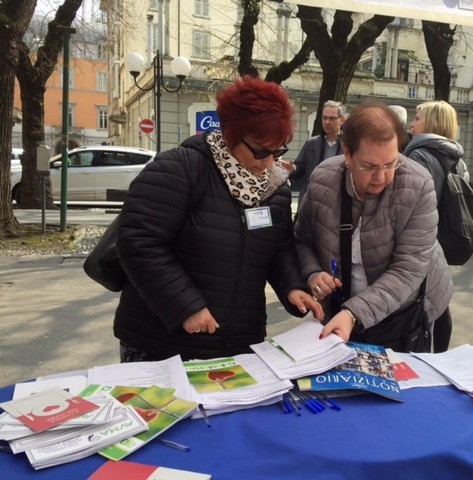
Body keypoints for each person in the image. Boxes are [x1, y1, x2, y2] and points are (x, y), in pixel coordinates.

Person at [114, 76, 322, 362]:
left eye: (278, 150)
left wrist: (292, 287)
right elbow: (139, 241)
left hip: (238, 344)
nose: (270, 162)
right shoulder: (180, 168)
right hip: (162, 342)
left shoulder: (274, 186)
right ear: (230, 135)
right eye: (261, 151)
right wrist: (185, 307)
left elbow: (279, 247)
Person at [294, 101, 453, 352]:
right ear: (347, 154)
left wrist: (353, 314)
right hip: (340, 309)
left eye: (390, 164)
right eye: (369, 167)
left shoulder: (418, 185)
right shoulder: (323, 179)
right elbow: (302, 240)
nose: (381, 177)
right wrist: (313, 273)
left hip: (401, 311)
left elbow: (408, 269)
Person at [401, 100, 469, 352]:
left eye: (417, 118)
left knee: (419, 301)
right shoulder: (456, 158)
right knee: (439, 298)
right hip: (442, 237)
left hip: (421, 238)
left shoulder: (419, 155)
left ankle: (427, 358)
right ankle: (441, 355)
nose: (412, 123)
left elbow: (409, 200)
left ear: (431, 123)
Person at [281, 100, 346, 202]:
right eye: (324, 118)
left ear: (342, 120)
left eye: (332, 118)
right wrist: (292, 169)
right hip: (311, 200)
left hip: (337, 201)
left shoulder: (349, 146)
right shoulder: (311, 144)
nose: (327, 122)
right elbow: (300, 168)